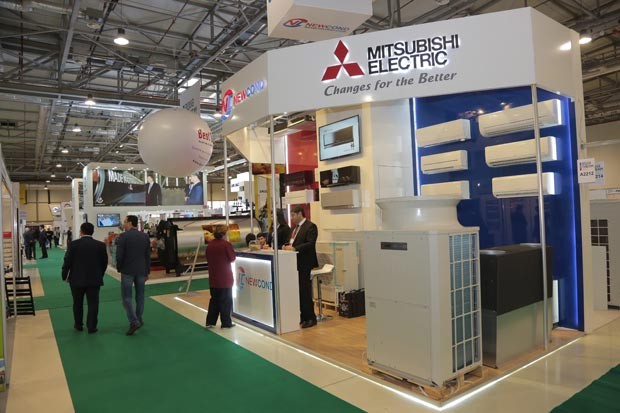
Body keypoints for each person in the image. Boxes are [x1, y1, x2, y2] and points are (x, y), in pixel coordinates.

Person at [61, 223, 108, 334]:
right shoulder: (100, 245)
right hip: (94, 279)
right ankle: (92, 327)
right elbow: (104, 263)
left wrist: (64, 275)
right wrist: (100, 274)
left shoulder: (73, 245)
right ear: (93, 232)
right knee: (93, 304)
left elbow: (67, 261)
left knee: (77, 303)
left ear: (81, 231)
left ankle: (78, 325)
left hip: (76, 279)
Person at [283, 206, 318, 328]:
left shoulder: (310, 226)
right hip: (293, 263)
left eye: (293, 215)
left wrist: (294, 248)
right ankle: (303, 317)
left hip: (304, 263)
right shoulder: (294, 228)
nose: (291, 218)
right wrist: (286, 246)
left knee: (305, 291)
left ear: (299, 214)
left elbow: (310, 243)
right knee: (298, 291)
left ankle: (310, 318)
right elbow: (290, 241)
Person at [116, 215, 151, 335]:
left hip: (127, 271)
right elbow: (147, 255)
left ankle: (134, 321)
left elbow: (119, 255)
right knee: (140, 296)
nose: (124, 224)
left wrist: (119, 267)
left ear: (130, 223)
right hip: (141, 270)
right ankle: (139, 319)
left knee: (126, 298)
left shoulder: (123, 236)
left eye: (125, 222)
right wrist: (147, 271)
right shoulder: (145, 236)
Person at [205, 225, 236, 329]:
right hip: (225, 277)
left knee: (214, 300)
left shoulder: (210, 245)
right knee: (226, 301)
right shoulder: (226, 245)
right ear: (224, 233)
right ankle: (226, 323)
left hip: (213, 277)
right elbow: (232, 258)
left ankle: (210, 321)